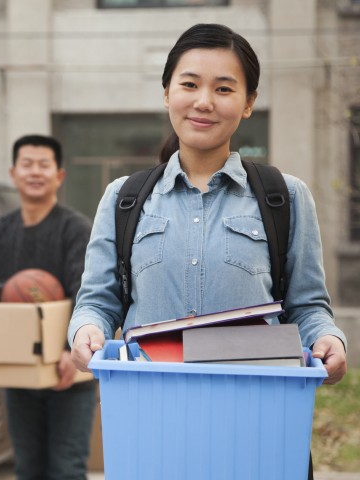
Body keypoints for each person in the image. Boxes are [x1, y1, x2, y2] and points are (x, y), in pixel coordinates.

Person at [68, 24, 347, 383]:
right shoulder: (123, 199)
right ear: (167, 93)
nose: (204, 101)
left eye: (224, 89)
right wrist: (85, 330)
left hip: (255, 406)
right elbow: (97, 302)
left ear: (248, 103)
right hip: (150, 406)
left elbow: (307, 307)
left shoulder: (286, 197)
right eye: (189, 84)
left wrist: (327, 338)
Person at [0, 134, 96, 480]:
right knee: (28, 468)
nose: (35, 172)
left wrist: (70, 350)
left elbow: (87, 293)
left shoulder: (75, 229)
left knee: (66, 468)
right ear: (13, 173)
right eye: (27, 164)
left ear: (59, 175)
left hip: (69, 373)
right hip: (19, 373)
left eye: (43, 165)